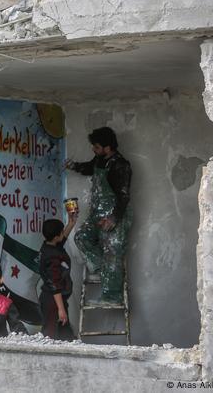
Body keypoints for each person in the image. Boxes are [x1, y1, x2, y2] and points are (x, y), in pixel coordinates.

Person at [66, 126, 132, 306]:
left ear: (107, 147)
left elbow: (124, 195)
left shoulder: (121, 165)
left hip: (114, 215)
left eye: (96, 147)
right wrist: (74, 166)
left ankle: (112, 297)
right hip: (97, 213)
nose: (93, 150)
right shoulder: (99, 159)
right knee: (81, 237)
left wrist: (113, 218)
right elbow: (89, 168)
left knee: (113, 252)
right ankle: (104, 268)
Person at [39, 213, 77, 340]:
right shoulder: (51, 256)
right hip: (52, 302)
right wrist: (61, 309)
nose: (63, 234)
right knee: (50, 336)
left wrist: (71, 223)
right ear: (55, 237)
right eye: (61, 232)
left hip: (57, 300)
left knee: (65, 335)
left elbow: (62, 239)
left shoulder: (50, 245)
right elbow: (54, 284)